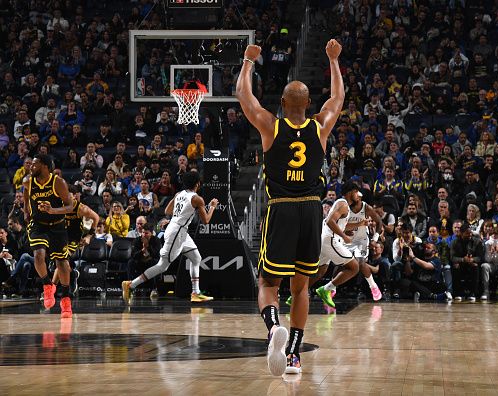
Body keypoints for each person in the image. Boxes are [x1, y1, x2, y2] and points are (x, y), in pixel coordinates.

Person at [236, 39, 344, 376]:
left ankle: (273, 330)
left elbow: (245, 97)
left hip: (281, 209)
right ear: (309, 103)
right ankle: (294, 356)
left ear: (282, 103)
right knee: (301, 288)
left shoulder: (271, 125)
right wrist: (333, 61)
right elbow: (337, 98)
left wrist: (247, 62)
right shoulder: (320, 126)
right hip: (311, 212)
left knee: (268, 285)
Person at [122, 171, 218, 303]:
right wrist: (212, 207)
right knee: (162, 266)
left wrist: (176, 219)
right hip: (177, 233)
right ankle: (131, 285)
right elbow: (206, 220)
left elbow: (167, 210)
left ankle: (195, 292)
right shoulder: (197, 199)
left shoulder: (179, 194)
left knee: (196, 258)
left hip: (179, 230)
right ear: (198, 184)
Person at [23, 154, 73, 318]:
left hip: (57, 225)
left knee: (62, 262)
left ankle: (65, 298)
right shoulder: (28, 182)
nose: (31, 166)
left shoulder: (58, 182)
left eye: (34, 164)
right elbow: (26, 198)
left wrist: (52, 210)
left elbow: (69, 206)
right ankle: (47, 285)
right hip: (38, 225)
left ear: (44, 166)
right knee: (38, 255)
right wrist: (26, 213)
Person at [43, 185, 100, 292]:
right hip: (61, 235)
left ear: (74, 196)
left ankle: (51, 289)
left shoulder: (81, 208)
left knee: (61, 260)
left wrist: (88, 236)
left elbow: (96, 217)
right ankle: (72, 274)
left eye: (67, 195)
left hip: (74, 238)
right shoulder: (58, 205)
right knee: (61, 264)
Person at [344, 186, 384, 301]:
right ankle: (331, 288)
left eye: (359, 196)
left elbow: (379, 222)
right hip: (347, 239)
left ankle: (373, 287)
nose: (358, 197)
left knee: (361, 262)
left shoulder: (366, 207)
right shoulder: (344, 207)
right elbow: (338, 225)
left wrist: (375, 239)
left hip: (362, 240)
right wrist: (345, 231)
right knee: (340, 264)